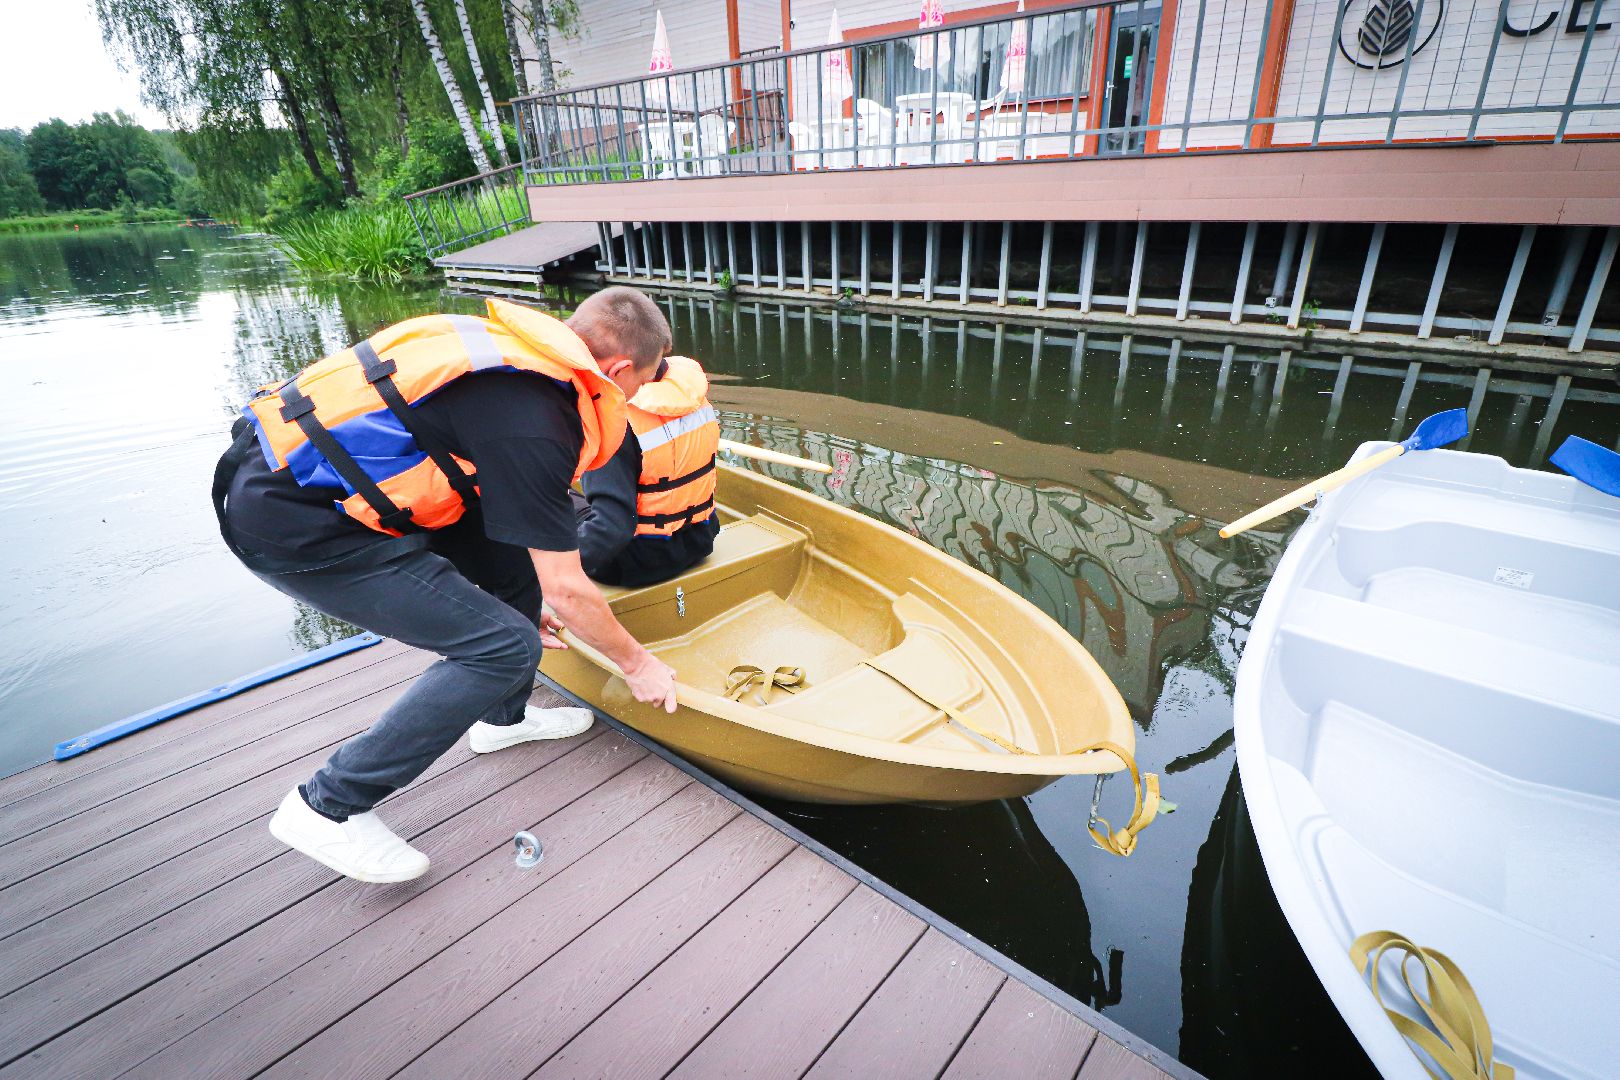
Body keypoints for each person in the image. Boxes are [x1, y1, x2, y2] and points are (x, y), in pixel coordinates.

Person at [212, 288, 679, 884]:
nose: (636, 396)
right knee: (503, 645)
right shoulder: (535, 419)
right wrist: (638, 666)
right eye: (642, 382)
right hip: (297, 523)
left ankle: (501, 722)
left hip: (324, 486)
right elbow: (568, 589)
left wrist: (519, 598)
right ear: (616, 370)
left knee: (514, 572)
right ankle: (326, 806)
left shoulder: (522, 357)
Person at [574, 354, 721, 587]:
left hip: (632, 564)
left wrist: (558, 570)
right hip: (699, 541)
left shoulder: (614, 421)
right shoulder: (691, 392)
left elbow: (611, 529)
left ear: (617, 369)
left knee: (553, 497)